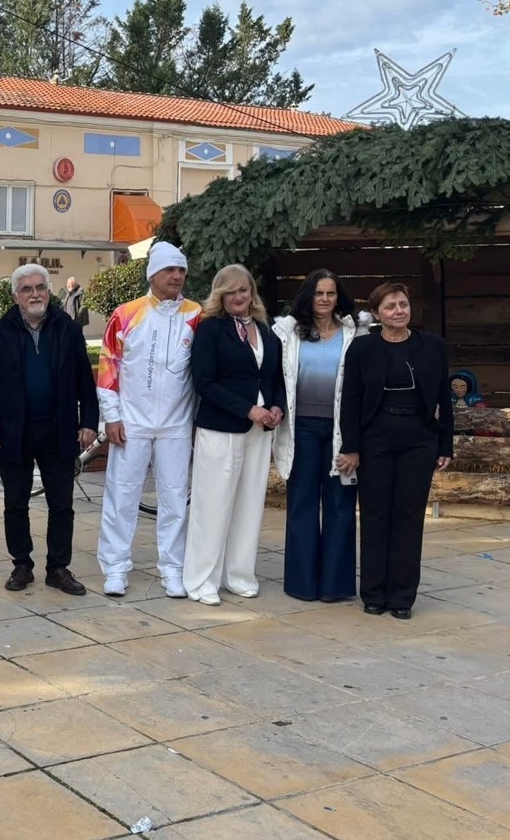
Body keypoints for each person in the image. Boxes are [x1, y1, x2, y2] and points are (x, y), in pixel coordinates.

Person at [0, 264, 98, 595]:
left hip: (59, 430)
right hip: (13, 433)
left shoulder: (68, 329)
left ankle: (58, 568)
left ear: (49, 292)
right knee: (16, 503)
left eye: (40, 287)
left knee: (62, 504)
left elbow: (85, 380)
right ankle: (21, 565)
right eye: (26, 289)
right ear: (16, 296)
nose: (34, 294)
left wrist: (89, 421)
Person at [338, 281, 453, 619]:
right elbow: (350, 401)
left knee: (409, 516)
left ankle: (402, 597)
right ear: (377, 314)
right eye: (390, 306)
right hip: (375, 440)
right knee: (375, 514)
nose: (398, 311)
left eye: (403, 304)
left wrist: (445, 443)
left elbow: (443, 398)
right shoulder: (362, 348)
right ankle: (374, 593)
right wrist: (351, 447)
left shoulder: (432, 346)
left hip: (419, 440)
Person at [95, 242, 201, 598]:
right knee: (122, 496)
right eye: (169, 270)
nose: (176, 276)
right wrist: (112, 416)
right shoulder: (126, 314)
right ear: (152, 274)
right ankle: (115, 567)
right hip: (132, 423)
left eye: (181, 270)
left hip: (176, 424)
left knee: (175, 499)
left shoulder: (196, 315)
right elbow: (109, 366)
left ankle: (173, 569)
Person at [183, 265, 285, 605]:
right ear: (220, 296)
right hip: (221, 428)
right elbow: (204, 383)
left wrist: (276, 407)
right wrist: (247, 409)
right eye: (231, 291)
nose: (239, 296)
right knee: (213, 505)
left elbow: (274, 377)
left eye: (244, 289)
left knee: (249, 504)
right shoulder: (210, 329)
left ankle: (239, 575)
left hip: (260, 431)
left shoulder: (266, 330)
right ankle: (201, 580)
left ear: (251, 292)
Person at [272, 269, 364, 603]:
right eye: (318, 293)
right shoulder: (289, 332)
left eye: (330, 293)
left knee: (340, 505)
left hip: (342, 428)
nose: (324, 299)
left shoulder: (355, 333)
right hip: (302, 429)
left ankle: (334, 586)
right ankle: (302, 584)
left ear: (339, 297)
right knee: (302, 504)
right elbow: (277, 378)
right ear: (308, 296)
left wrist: (356, 441)